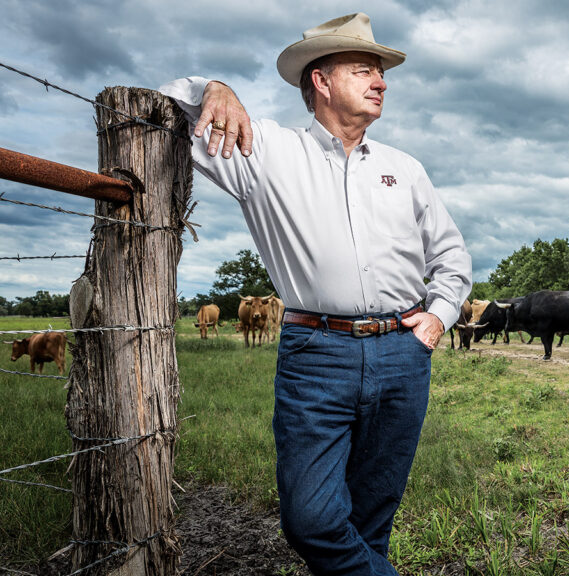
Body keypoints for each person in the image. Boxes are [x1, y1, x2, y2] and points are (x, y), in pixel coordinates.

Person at [160, 13, 472, 575]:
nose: (382, 82)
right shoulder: (266, 153)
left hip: (404, 352)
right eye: (365, 70)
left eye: (380, 73)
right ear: (322, 81)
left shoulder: (406, 169)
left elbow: (451, 257)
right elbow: (155, 105)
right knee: (312, 520)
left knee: (372, 517)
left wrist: (438, 318)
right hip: (316, 354)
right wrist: (212, 88)